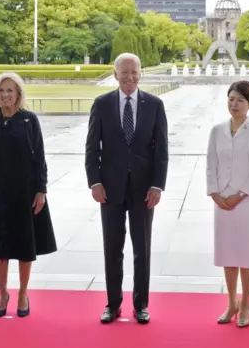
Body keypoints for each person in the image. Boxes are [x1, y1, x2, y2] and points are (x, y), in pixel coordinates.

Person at [85, 52, 169, 325]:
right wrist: (95, 182)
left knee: (142, 248)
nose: (130, 78)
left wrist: (157, 185)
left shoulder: (155, 105)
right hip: (109, 190)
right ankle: (113, 305)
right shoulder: (102, 104)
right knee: (112, 247)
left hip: (144, 190)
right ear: (115, 74)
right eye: (125, 73)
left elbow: (161, 151)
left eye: (135, 72)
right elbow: (91, 148)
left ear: (140, 73)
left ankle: (141, 305)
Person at [0, 72, 57, 318]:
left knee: (23, 244)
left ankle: (22, 292)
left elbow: (39, 157)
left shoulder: (29, 120)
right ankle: (2, 292)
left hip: (25, 191)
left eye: (10, 90)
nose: (5, 95)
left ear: (18, 94)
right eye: (1, 91)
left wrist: (41, 190)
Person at [206, 80, 249, 328]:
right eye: (231, 99)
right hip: (221, 200)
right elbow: (211, 165)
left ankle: (246, 304)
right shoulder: (216, 130)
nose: (234, 104)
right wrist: (215, 194)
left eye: (240, 100)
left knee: (247, 254)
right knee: (228, 253)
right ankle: (231, 303)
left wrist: (240, 195)